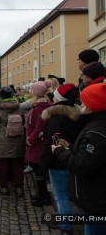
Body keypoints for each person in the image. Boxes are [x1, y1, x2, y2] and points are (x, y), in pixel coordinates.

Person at [52, 80, 106, 235]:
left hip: (96, 201)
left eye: (84, 102)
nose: (80, 105)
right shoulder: (95, 124)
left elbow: (83, 165)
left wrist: (60, 152)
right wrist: (70, 147)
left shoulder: (97, 131)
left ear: (92, 106)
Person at [39, 84, 81, 234]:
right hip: (73, 158)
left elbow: (52, 141)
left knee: (61, 195)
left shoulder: (56, 118)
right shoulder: (77, 115)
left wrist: (42, 165)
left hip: (58, 161)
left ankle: (65, 225)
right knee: (72, 194)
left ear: (59, 98)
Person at [0, 87, 25, 196]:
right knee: (18, 164)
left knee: (2, 165)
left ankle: (4, 187)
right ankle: (19, 188)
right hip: (18, 139)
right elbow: (23, 121)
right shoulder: (19, 107)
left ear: (1, 96)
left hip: (1, 141)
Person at [25, 81, 53, 206]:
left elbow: (39, 128)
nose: (30, 92)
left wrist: (30, 140)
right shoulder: (39, 106)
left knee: (40, 172)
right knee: (39, 172)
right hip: (36, 144)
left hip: (37, 145)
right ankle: (43, 195)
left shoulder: (40, 108)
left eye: (31, 90)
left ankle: (44, 197)